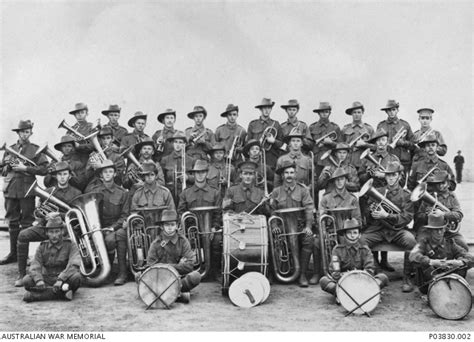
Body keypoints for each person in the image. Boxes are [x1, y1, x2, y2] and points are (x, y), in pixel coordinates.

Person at [15, 161, 81, 287]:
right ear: (55, 176)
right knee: (23, 235)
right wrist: (44, 215)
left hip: (64, 228)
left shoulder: (76, 193)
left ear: (69, 176)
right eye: (59, 174)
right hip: (46, 226)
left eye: (65, 174)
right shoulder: (48, 191)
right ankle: (21, 273)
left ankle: (66, 274)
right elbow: (38, 211)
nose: (62, 177)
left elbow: (77, 215)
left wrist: (59, 215)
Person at [360, 161, 417, 292]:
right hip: (379, 229)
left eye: (394, 175)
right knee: (362, 241)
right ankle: (374, 271)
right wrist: (371, 212)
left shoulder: (406, 195)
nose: (390, 178)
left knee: (411, 242)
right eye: (388, 175)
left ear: (399, 176)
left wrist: (387, 216)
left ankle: (407, 277)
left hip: (397, 230)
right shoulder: (377, 191)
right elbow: (369, 213)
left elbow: (407, 217)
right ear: (385, 177)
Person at [0, 120, 48, 265]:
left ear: (31, 133)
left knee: (26, 223)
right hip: (11, 190)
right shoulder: (10, 149)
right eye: (22, 132)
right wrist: (6, 167)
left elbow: (44, 169)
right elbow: (2, 171)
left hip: (27, 190)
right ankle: (13, 254)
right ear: (18, 133)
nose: (24, 134)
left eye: (27, 132)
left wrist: (25, 169)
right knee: (12, 223)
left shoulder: (36, 149)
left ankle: (24, 255)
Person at [270, 161, 319, 287]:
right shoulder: (276, 192)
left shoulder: (303, 190)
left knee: (309, 240)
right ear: (282, 176)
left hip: (299, 227)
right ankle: (275, 272)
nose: (289, 175)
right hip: (282, 228)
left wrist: (308, 227)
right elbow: (272, 211)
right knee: (271, 239)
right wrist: (275, 225)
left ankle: (301, 273)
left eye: (291, 172)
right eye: (286, 173)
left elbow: (309, 208)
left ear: (295, 174)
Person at [85, 159, 130, 285]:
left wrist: (112, 228)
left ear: (115, 174)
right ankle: (105, 271)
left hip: (115, 226)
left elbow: (124, 215)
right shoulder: (94, 191)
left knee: (115, 237)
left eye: (111, 171)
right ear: (101, 175)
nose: (108, 174)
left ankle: (122, 272)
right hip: (99, 226)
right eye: (105, 172)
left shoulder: (123, 193)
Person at [177, 160, 222, 280]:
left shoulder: (215, 192)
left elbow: (218, 213)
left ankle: (215, 271)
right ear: (194, 174)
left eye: (202, 172)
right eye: (197, 172)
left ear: (207, 174)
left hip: (210, 229)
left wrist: (214, 227)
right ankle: (191, 270)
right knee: (182, 240)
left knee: (218, 240)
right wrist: (187, 228)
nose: (200, 175)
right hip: (192, 229)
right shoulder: (186, 193)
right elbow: (181, 213)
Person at [320, 218, 388, 297]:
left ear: (359, 235)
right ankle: (348, 294)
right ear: (344, 235)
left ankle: (347, 295)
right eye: (349, 233)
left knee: (383, 277)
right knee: (323, 281)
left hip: (362, 282)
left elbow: (370, 270)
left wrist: (356, 277)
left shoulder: (365, 250)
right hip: (344, 283)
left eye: (355, 233)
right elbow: (335, 273)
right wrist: (347, 277)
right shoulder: (337, 250)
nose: (352, 236)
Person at [145, 209, 202, 303]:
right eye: (167, 225)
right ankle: (177, 294)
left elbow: (189, 266)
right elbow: (151, 266)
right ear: (162, 227)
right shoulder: (156, 243)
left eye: (172, 224)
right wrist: (178, 265)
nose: (170, 227)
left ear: (177, 226)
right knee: (140, 277)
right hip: (160, 279)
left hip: (178, 279)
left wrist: (163, 265)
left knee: (196, 276)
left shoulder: (183, 241)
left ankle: (163, 295)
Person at [22, 215, 82, 302]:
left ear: (62, 231)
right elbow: (35, 265)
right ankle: (63, 294)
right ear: (46, 233)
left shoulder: (70, 244)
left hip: (64, 279)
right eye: (51, 232)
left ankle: (36, 295)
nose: (54, 235)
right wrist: (38, 280)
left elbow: (74, 264)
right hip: (46, 278)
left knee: (76, 278)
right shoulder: (42, 246)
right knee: (26, 280)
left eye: (57, 231)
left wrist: (61, 279)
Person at [409, 213, 473, 295]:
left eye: (441, 229)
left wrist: (459, 262)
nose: (439, 232)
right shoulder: (423, 243)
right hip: (428, 285)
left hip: (450, 282)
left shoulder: (450, 243)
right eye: (436, 230)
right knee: (424, 263)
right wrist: (432, 262)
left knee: (462, 262)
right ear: (430, 231)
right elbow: (412, 256)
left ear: (444, 230)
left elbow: (470, 257)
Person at [414, 171, 467, 251]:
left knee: (463, 245)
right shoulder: (428, 196)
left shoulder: (451, 196)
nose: (440, 186)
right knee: (417, 246)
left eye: (443, 183)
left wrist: (443, 214)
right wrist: (427, 215)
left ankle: (459, 263)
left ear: (448, 183)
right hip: (429, 231)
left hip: (448, 232)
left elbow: (459, 215)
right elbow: (418, 216)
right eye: (438, 183)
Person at [131, 161, 176, 225]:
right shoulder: (137, 194)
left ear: (156, 176)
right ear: (143, 176)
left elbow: (172, 213)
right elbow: (134, 215)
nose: (149, 177)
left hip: (162, 229)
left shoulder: (165, 193)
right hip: (144, 229)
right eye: (147, 175)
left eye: (152, 174)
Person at [376, 99, 414, 173]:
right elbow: (376, 144)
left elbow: (412, 145)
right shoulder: (381, 125)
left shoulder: (405, 124)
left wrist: (403, 143)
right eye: (389, 110)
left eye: (393, 110)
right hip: (386, 160)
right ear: (386, 112)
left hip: (403, 161)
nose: (391, 112)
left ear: (397, 110)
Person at [247, 98, 284, 169]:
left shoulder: (276, 124)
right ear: (260, 109)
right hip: (256, 158)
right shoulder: (253, 124)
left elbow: (282, 145)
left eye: (269, 108)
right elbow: (248, 143)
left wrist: (274, 141)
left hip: (271, 158)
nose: (267, 110)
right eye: (265, 108)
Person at [160, 132, 195, 206]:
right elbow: (161, 179)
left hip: (187, 193)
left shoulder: (191, 160)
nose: (178, 145)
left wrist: (188, 177)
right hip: (170, 194)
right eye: (175, 142)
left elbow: (197, 177)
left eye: (180, 142)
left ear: (185, 144)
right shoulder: (165, 160)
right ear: (173, 144)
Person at [309, 102, 342, 176]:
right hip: (316, 161)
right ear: (318, 113)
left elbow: (341, 146)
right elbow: (309, 144)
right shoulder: (312, 127)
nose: (324, 114)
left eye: (326, 112)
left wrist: (331, 143)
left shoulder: (335, 127)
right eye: (322, 112)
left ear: (329, 113)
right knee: (316, 182)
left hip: (330, 161)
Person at [341, 101, 375, 171]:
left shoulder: (369, 129)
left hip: (363, 163)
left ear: (362, 113)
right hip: (348, 163)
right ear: (351, 114)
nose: (357, 114)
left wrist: (365, 144)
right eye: (354, 112)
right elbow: (340, 146)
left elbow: (376, 147)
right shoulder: (345, 129)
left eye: (359, 112)